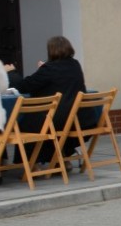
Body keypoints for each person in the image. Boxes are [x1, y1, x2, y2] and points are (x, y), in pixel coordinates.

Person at [16, 35, 87, 167]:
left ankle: (32, 164)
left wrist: (12, 74)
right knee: (45, 121)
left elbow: (26, 85)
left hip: (57, 118)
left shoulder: (49, 69)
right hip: (78, 117)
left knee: (25, 122)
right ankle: (61, 159)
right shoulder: (75, 65)